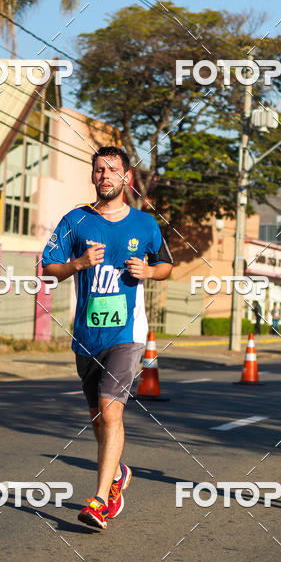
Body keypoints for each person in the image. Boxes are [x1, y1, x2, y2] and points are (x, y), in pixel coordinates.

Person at [42, 146, 174, 530]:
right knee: (98, 417)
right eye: (98, 170)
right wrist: (77, 264)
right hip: (86, 334)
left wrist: (148, 272)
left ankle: (100, 500)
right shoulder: (75, 220)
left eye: (111, 170)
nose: (104, 176)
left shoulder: (145, 225)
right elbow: (48, 271)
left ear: (126, 178)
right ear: (92, 176)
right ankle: (117, 472)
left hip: (127, 333)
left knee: (111, 407)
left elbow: (166, 265)